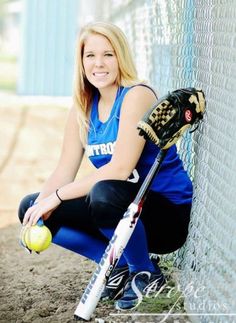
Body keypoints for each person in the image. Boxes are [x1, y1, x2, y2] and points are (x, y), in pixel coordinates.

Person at [18, 21, 192, 310]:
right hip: (122, 210)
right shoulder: (83, 106)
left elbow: (121, 169)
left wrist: (57, 197)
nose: (99, 63)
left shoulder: (137, 94)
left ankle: (146, 273)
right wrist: (38, 212)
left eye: (108, 54)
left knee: (104, 192)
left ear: (120, 57)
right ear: (81, 61)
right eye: (90, 56)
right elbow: (64, 170)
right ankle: (116, 266)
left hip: (165, 215)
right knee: (31, 205)